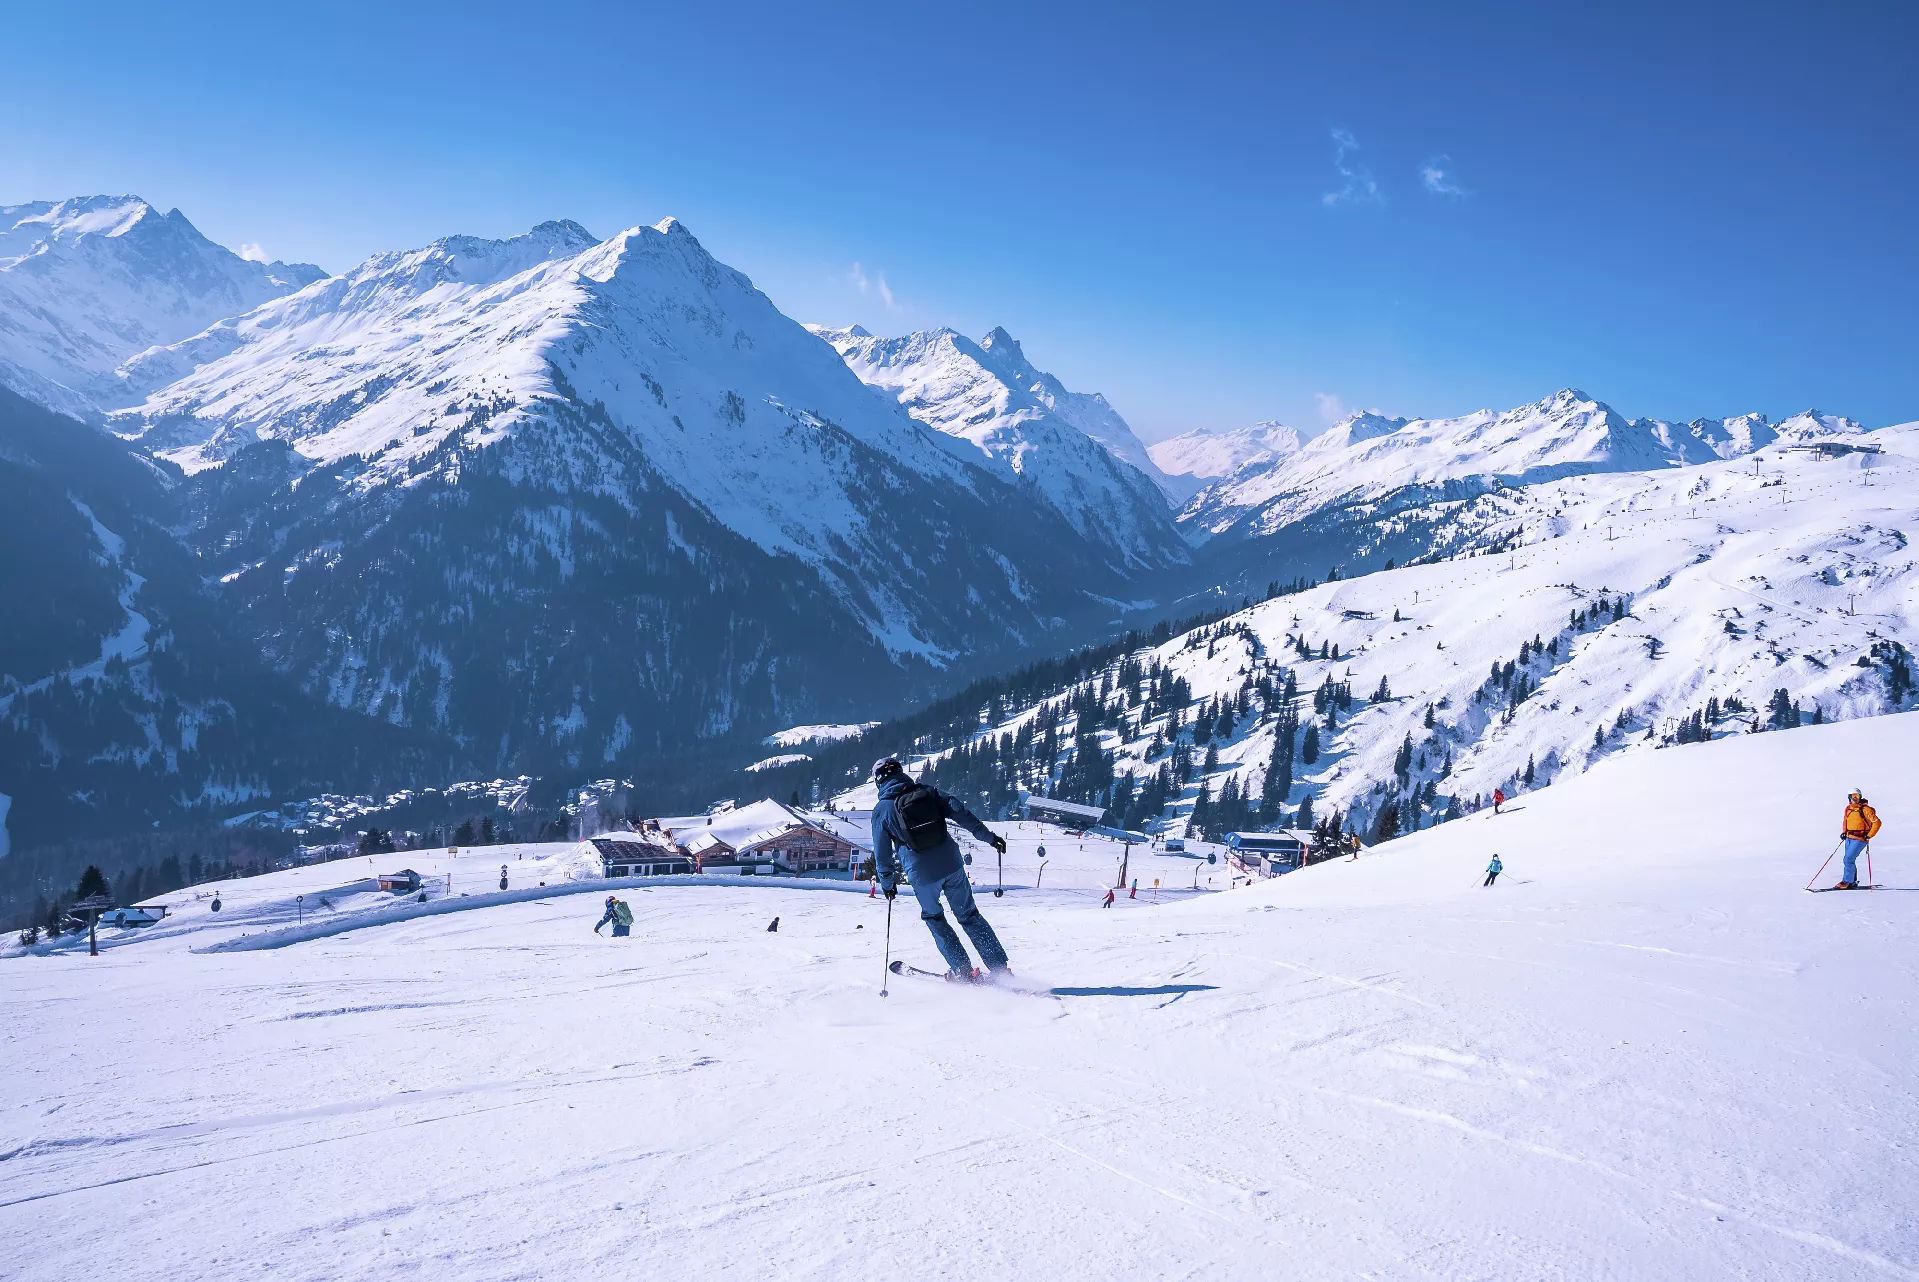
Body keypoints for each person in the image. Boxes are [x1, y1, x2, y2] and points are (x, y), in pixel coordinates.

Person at [870, 756, 1011, 981]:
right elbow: (961, 813)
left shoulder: (881, 810)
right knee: (969, 915)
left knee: (935, 918)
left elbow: (882, 854)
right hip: (952, 864)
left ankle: (962, 971)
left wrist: (888, 885)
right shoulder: (928, 792)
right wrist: (989, 838)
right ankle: (1000, 969)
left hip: (922, 875)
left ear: (878, 781)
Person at [1836, 790, 1882, 889]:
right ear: (1849, 797)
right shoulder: (1848, 809)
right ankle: (1852, 881)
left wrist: (1869, 835)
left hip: (1860, 839)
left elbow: (1877, 822)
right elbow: (1845, 821)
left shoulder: (1865, 809)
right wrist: (1844, 832)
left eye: (1857, 796)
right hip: (1849, 838)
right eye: (1853, 796)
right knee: (1849, 860)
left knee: (1848, 859)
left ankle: (1847, 882)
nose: (1855, 798)